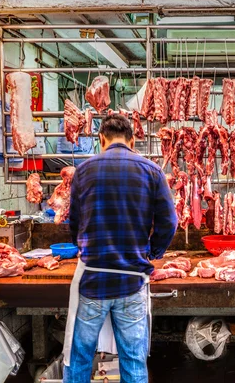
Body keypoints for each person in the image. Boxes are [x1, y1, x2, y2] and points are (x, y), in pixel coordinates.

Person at [64, 114, 178, 383]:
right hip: (132, 281)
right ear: (132, 140)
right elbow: (169, 221)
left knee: (79, 358)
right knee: (133, 362)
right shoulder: (151, 171)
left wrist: (80, 245)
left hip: (93, 281)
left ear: (101, 139)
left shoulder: (84, 171)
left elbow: (74, 221)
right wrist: (153, 252)